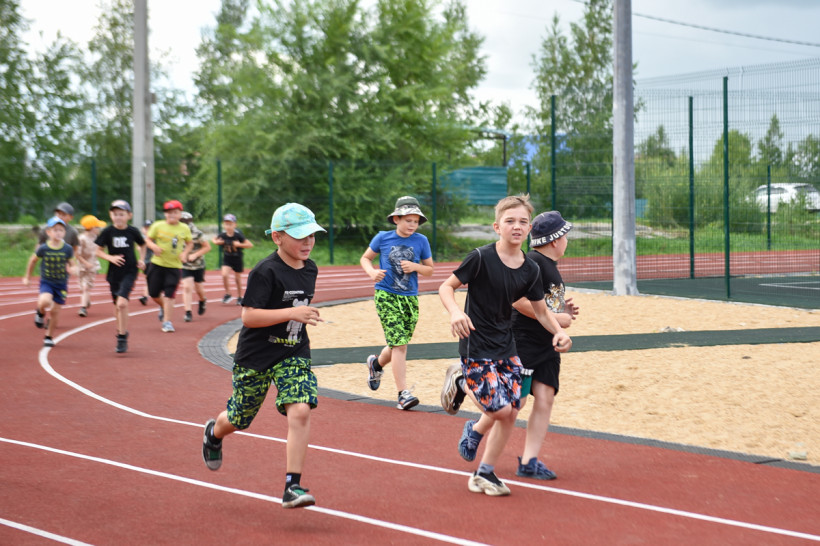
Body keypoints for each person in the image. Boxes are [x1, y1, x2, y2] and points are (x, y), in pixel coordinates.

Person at [438, 194, 571, 497]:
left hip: (506, 348)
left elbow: (541, 311)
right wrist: (456, 312)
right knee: (500, 411)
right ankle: (461, 379)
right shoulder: (480, 257)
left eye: (523, 221)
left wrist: (559, 332)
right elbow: (446, 286)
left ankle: (484, 473)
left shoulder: (531, 269)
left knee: (513, 410)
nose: (517, 226)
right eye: (510, 221)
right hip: (476, 344)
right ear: (497, 227)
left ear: (529, 229)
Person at [202, 203, 326, 510]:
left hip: (293, 351)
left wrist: (300, 316)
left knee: (301, 409)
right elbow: (249, 317)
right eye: (300, 236)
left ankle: (292, 486)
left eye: (312, 235)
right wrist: (292, 312)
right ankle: (213, 433)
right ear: (278, 237)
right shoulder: (265, 271)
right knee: (239, 418)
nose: (308, 242)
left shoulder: (310, 268)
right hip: (256, 356)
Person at [359, 196, 434, 410]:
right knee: (400, 344)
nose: (412, 225)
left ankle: (376, 364)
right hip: (386, 295)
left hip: (410, 298)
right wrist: (371, 272)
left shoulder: (421, 241)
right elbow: (365, 258)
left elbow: (429, 269)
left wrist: (415, 267)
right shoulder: (383, 238)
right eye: (408, 220)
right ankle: (403, 394)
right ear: (396, 219)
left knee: (397, 343)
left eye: (416, 221)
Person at [95, 200, 147, 353]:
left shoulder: (133, 231)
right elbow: (98, 251)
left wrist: (142, 259)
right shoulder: (107, 232)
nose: (118, 217)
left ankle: (122, 337)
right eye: (115, 214)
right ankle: (121, 330)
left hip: (130, 271)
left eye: (121, 214)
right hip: (114, 273)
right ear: (111, 215)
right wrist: (110, 258)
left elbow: (143, 244)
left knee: (122, 304)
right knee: (117, 305)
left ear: (129, 215)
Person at [23, 216, 77, 347]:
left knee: (55, 311)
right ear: (48, 232)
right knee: (44, 301)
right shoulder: (43, 248)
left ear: (64, 232)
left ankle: (48, 336)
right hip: (47, 281)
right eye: (55, 230)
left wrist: (74, 269)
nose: (58, 233)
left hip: (61, 284)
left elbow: (72, 263)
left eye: (61, 230)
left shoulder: (67, 249)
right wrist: (27, 277)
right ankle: (40, 312)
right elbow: (33, 261)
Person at [145, 200, 193, 333]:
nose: (172, 215)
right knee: (153, 294)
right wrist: (154, 246)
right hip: (157, 264)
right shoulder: (157, 225)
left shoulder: (184, 228)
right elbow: (148, 239)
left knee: (169, 295)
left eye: (175, 212)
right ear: (165, 214)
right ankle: (164, 307)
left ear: (180, 214)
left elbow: (190, 243)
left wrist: (184, 253)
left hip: (174, 267)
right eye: (169, 212)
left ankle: (167, 322)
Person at [212, 213, 253, 305]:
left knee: (237, 279)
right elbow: (214, 239)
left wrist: (239, 245)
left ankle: (240, 296)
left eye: (230, 224)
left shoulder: (238, 235)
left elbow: (250, 245)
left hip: (237, 258)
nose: (228, 226)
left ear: (235, 225)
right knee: (224, 274)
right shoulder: (223, 235)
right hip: (227, 258)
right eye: (226, 224)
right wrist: (217, 242)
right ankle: (228, 294)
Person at [180, 211, 212, 322]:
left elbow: (207, 247)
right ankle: (188, 312)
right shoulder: (176, 232)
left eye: (185, 221)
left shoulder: (197, 233)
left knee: (199, 288)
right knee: (187, 287)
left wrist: (195, 255)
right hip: (184, 265)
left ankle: (203, 300)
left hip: (198, 265)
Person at [76, 215, 106, 317]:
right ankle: (86, 300)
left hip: (92, 266)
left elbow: (100, 250)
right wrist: (85, 263)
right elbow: (77, 254)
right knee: (83, 287)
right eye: (97, 227)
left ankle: (83, 308)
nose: (99, 229)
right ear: (92, 228)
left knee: (86, 286)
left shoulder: (96, 238)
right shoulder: (81, 239)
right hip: (82, 266)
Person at [138, 219, 154, 306]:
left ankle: (145, 296)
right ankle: (145, 296)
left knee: (149, 279)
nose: (147, 230)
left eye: (149, 228)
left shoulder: (156, 238)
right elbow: (139, 248)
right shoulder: (142, 238)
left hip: (155, 262)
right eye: (146, 228)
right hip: (146, 262)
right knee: (148, 279)